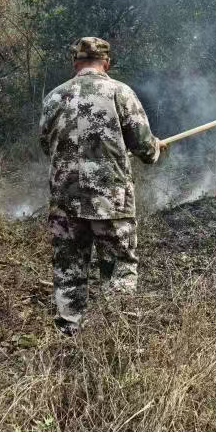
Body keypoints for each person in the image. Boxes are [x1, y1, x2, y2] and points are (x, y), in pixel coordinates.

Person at [38, 37, 163, 335]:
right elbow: (144, 148)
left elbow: (46, 145)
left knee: (68, 268)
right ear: (106, 63)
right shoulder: (120, 92)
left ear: (75, 63)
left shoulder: (54, 97)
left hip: (65, 199)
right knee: (118, 267)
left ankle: (68, 331)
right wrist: (156, 148)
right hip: (111, 201)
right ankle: (114, 336)